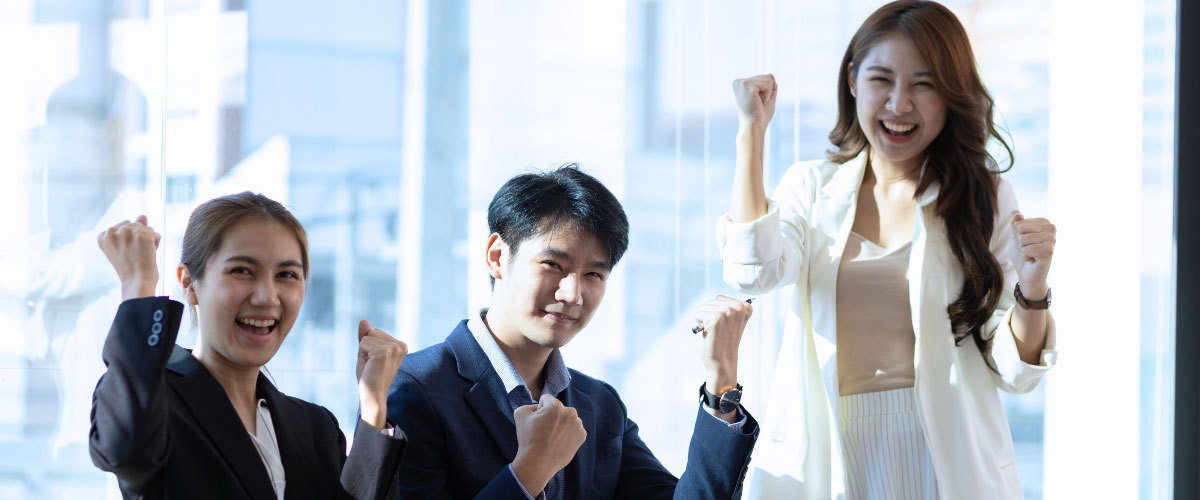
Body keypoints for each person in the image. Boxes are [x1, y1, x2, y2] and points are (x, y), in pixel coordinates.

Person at [718, 2, 1059, 499]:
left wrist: (1034, 287)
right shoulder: (812, 187)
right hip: (830, 449)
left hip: (943, 453)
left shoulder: (981, 198)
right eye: (883, 79)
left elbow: (1013, 370)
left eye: (924, 85)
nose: (900, 105)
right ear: (853, 80)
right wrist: (751, 133)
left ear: (950, 96)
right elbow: (751, 272)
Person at [385, 165, 759, 499]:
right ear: (498, 257)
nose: (573, 294)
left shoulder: (600, 404)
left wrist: (720, 383)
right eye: (552, 264)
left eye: (594, 274)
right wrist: (529, 471)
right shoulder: (415, 387)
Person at [89, 192, 409, 499]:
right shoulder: (153, 402)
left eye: (286, 274)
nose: (267, 296)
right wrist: (139, 288)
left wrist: (373, 407)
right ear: (188, 284)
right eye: (242, 271)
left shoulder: (315, 427)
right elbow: (125, 450)